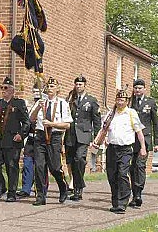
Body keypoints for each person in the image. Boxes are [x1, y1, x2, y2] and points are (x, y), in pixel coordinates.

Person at [30, 76, 73, 206]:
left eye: (52, 86)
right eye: (48, 86)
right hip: (40, 136)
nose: (49, 89)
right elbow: (31, 118)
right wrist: (38, 107)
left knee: (55, 167)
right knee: (39, 166)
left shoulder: (62, 103)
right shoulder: (40, 102)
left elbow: (67, 125)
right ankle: (41, 196)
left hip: (54, 137)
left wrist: (52, 124)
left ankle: (62, 186)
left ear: (58, 89)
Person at [102, 89, 147, 214]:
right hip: (112, 148)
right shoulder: (111, 114)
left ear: (127, 101)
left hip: (126, 149)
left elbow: (139, 132)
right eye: (118, 100)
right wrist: (104, 139)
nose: (120, 102)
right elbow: (104, 129)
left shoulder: (131, 113)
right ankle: (115, 202)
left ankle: (122, 203)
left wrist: (143, 147)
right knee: (112, 175)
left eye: (122, 100)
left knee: (122, 174)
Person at [0, 77, 31, 202]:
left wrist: (21, 135)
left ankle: (12, 192)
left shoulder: (19, 103)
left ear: (12, 90)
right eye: (2, 88)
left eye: (5, 88)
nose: (3, 90)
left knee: (11, 166)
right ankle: (0, 186)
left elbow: (26, 122)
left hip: (12, 139)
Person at [65, 75, 101, 201]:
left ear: (85, 85)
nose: (78, 86)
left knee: (79, 159)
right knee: (70, 161)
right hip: (70, 135)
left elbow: (97, 120)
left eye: (80, 84)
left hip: (84, 135)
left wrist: (97, 138)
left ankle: (78, 188)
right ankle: (75, 186)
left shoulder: (91, 100)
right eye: (76, 84)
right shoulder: (70, 99)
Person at [128, 79, 158, 207]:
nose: (138, 90)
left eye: (140, 88)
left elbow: (156, 123)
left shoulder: (151, 102)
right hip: (131, 139)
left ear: (145, 89)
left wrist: (157, 141)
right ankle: (134, 193)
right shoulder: (129, 102)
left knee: (140, 166)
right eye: (136, 88)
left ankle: (138, 193)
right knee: (132, 167)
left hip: (145, 139)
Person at [17, 83, 48, 198]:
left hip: (42, 137)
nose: (35, 93)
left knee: (41, 165)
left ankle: (42, 189)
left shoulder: (46, 103)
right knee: (27, 163)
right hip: (30, 137)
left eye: (37, 90)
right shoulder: (30, 104)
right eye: (34, 91)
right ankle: (26, 188)